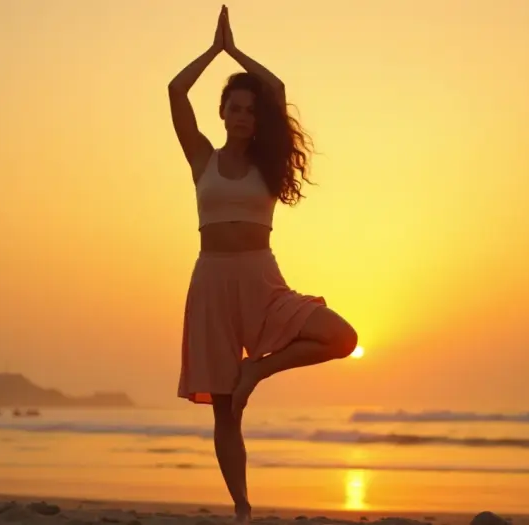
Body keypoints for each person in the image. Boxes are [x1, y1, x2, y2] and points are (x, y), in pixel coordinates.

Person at [168, 5, 358, 523]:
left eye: (250, 110)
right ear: (223, 112)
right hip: (210, 283)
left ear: (257, 119)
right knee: (227, 413)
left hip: (260, 278)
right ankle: (243, 509)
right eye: (234, 107)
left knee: (343, 337)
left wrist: (236, 52)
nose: (243, 115)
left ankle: (260, 369)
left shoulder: (266, 164)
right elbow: (175, 92)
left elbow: (274, 89)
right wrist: (211, 52)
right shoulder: (201, 158)